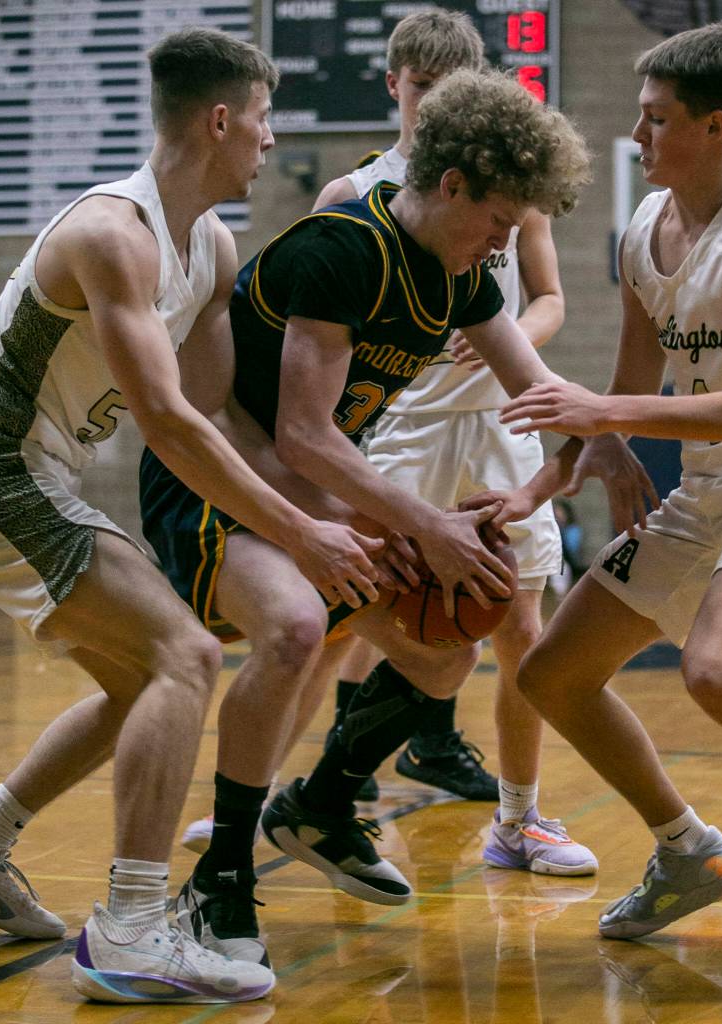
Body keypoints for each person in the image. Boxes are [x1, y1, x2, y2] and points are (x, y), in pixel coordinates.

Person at [140, 61, 657, 967]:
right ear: (451, 185)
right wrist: (424, 525)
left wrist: (602, 438)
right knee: (298, 630)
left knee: (448, 643)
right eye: (498, 222)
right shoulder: (345, 248)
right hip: (220, 477)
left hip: (311, 486)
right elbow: (303, 434)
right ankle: (220, 878)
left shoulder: (459, 275)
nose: (501, 243)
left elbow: (534, 384)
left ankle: (323, 804)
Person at [0, 28, 386, 1005]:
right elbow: (167, 424)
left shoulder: (209, 247)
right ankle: (129, 928)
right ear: (219, 119)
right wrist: (300, 536)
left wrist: (338, 506)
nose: (269, 139)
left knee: (144, 683)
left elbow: (215, 410)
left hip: (45, 473)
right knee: (187, 655)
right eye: (262, 118)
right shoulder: (111, 235)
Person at [495, 21, 722, 938]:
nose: (637, 135)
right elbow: (632, 387)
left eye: (657, 118)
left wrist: (606, 413)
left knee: (716, 670)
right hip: (711, 482)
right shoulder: (644, 227)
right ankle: (689, 850)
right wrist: (559, 474)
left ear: (716, 127)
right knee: (554, 674)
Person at [306, 11, 595, 880]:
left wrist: (506, 335)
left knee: (521, 628)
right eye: (421, 87)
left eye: (450, 89)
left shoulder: (510, 188)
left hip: (500, 422)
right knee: (339, 617)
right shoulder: (355, 194)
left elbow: (549, 300)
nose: (432, 104)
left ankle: (519, 818)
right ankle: (268, 792)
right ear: (393, 83)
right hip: (398, 422)